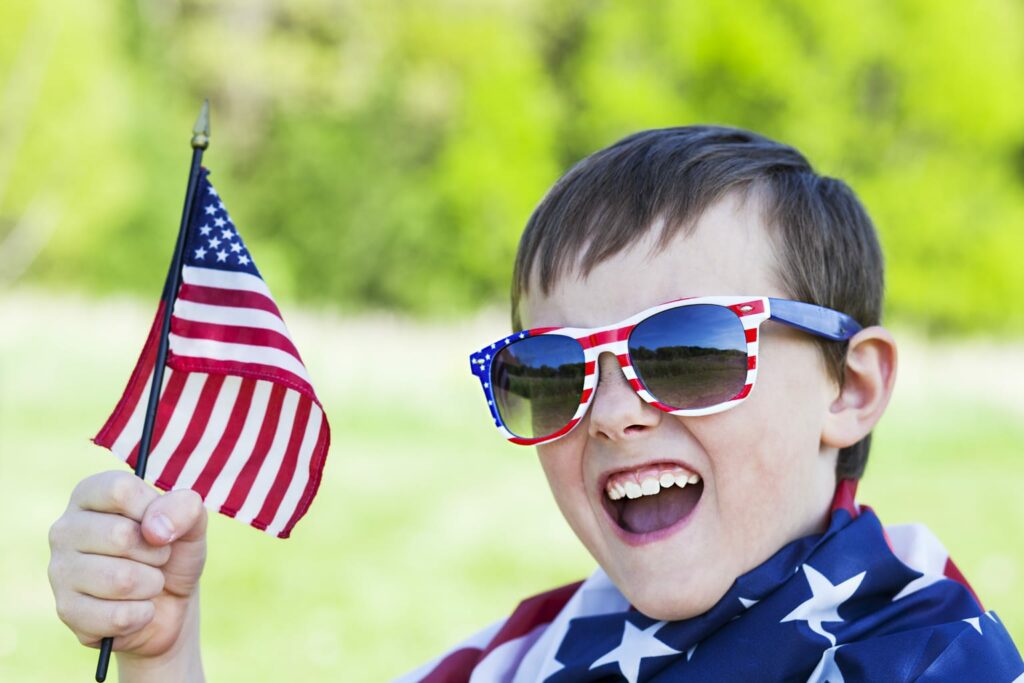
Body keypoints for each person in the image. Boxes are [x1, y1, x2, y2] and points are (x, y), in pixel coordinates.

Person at [48, 126, 1023, 681]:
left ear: (849, 387)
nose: (608, 412)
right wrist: (161, 646)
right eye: (551, 369)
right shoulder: (520, 657)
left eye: (685, 350)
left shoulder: (927, 657)